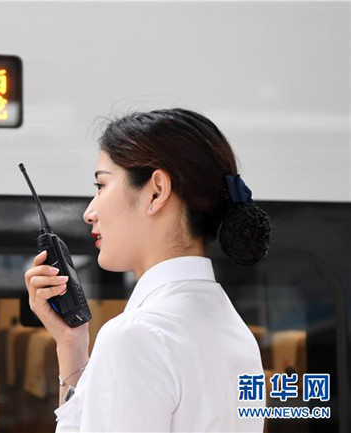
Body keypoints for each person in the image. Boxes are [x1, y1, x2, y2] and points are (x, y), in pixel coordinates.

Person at [24, 108, 271, 432]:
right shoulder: (236, 332)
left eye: (101, 185)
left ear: (156, 192)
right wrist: (72, 344)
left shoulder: (135, 336)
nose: (89, 212)